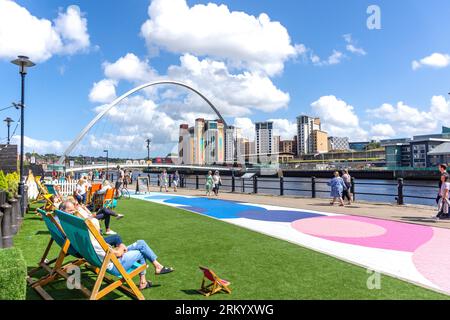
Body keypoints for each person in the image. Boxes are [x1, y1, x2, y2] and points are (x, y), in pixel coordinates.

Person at [59, 200, 174, 290]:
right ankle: (147, 277)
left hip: (107, 258)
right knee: (141, 252)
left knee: (141, 243)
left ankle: (153, 271)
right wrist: (120, 248)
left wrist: (116, 249)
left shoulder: (84, 238)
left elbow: (107, 249)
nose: (100, 230)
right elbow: (117, 253)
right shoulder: (94, 241)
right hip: (114, 265)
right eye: (98, 227)